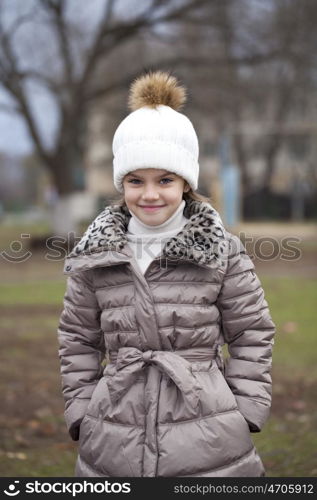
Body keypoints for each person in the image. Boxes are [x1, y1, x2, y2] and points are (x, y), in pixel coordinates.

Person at [57, 71, 276, 477]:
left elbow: (252, 332)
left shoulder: (222, 250)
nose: (150, 194)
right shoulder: (95, 255)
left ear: (186, 183)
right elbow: (77, 337)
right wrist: (82, 409)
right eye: (136, 181)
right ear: (122, 183)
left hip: (210, 433)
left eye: (165, 180)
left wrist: (245, 407)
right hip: (112, 435)